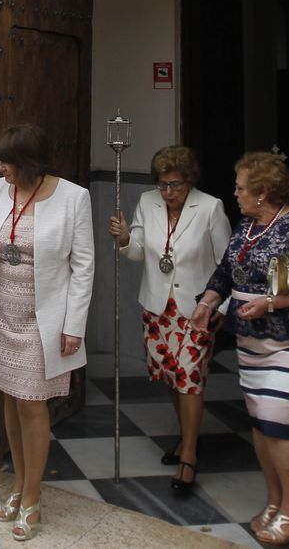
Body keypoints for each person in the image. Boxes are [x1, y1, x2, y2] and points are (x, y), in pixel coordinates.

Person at [189, 151, 289, 547]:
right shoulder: (247, 225)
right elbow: (224, 272)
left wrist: (272, 303)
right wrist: (207, 303)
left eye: (240, 188)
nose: (235, 193)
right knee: (261, 423)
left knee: (278, 419)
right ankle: (275, 502)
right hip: (252, 339)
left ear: (263, 192)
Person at [0, 121, 89, 542]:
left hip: (43, 320)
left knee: (33, 404)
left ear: (29, 163)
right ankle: (17, 482)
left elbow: (83, 267)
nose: (0, 169)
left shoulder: (74, 198)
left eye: (7, 162)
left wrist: (74, 325)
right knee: (10, 401)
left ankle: (32, 495)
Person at [107, 145, 231, 496]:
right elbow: (137, 251)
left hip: (196, 310)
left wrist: (221, 307)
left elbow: (226, 263)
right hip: (158, 308)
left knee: (190, 378)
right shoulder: (148, 202)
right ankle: (185, 436)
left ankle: (189, 453)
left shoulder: (210, 207)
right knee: (172, 377)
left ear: (189, 181)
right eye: (162, 185)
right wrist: (125, 239)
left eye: (175, 185)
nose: (168, 192)